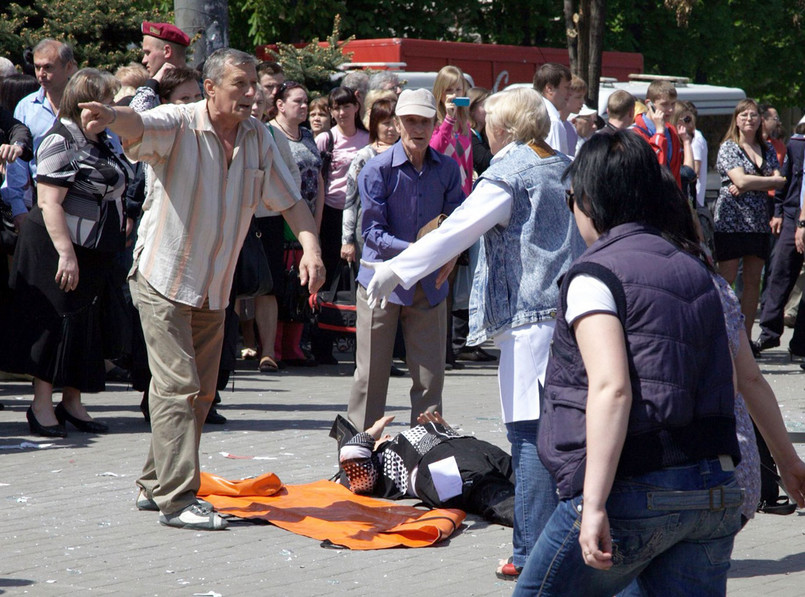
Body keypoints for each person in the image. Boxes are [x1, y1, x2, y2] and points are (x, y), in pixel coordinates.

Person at [78, 48, 324, 530]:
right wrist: (110, 116)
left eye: (255, 83)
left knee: (202, 394)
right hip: (163, 278)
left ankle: (154, 482)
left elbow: (291, 201)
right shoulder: (182, 121)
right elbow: (140, 125)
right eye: (241, 84)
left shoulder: (260, 137)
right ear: (211, 88)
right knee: (177, 388)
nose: (252, 93)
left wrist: (312, 251)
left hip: (215, 288)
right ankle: (176, 499)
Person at [362, 87, 585, 580]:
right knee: (562, 435)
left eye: (487, 120)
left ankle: (531, 555)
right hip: (573, 316)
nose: (483, 127)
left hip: (530, 323)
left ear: (502, 128)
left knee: (528, 437)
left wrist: (395, 269)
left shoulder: (508, 172)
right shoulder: (565, 162)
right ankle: (561, 545)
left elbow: (454, 230)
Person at [513, 131, 745, 596]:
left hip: (635, 486)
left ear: (589, 199)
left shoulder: (594, 275)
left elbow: (611, 388)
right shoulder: (696, 268)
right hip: (714, 488)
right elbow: (735, 380)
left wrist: (594, 504)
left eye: (570, 197)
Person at [2, 69, 130, 438]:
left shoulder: (103, 140)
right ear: (82, 102)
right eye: (102, 100)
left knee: (85, 327)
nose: (108, 108)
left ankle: (72, 402)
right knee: (55, 324)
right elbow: (49, 202)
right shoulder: (61, 139)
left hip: (96, 248)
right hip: (58, 247)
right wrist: (66, 254)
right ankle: (40, 405)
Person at [347, 87, 463, 431]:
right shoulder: (376, 170)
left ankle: (425, 457)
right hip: (381, 284)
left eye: (425, 121)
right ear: (397, 123)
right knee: (370, 379)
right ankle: (358, 455)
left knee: (430, 383)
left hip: (430, 284)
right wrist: (422, 253)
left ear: (435, 123)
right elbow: (372, 234)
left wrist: (452, 253)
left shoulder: (448, 170)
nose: (418, 128)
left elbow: (457, 223)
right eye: (410, 120)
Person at [338, 411, 515, 526]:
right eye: (373, 443)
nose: (387, 436)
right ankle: (538, 537)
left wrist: (445, 430)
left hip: (475, 448)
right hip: (440, 464)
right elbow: (351, 455)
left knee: (532, 481)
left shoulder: (395, 444)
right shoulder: (378, 465)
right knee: (502, 499)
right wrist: (373, 431)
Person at [714, 99, 785, 339]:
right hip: (731, 220)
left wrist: (748, 183)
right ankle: (721, 334)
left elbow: (779, 180)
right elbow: (743, 180)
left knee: (754, 281)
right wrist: (758, 182)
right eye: (743, 115)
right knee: (727, 279)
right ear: (736, 119)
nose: (749, 119)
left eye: (753, 115)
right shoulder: (729, 147)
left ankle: (744, 338)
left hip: (757, 222)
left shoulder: (766, 148)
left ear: (760, 120)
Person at [313, 86, 368, 364]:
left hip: (360, 217)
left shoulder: (367, 138)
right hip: (332, 214)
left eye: (346, 106)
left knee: (360, 280)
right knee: (329, 280)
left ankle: (364, 348)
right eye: (336, 107)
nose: (341, 112)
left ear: (356, 107)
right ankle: (322, 347)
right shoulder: (326, 139)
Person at [270, 80, 324, 365]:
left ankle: (294, 347)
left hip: (307, 220)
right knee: (281, 284)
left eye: (306, 102)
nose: (304, 107)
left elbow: (318, 178)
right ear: (280, 105)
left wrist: (315, 221)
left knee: (303, 284)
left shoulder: (307, 135)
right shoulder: (270, 134)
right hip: (280, 219)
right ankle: (275, 348)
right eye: (297, 102)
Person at [1, 39, 77, 231]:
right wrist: (18, 207)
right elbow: (17, 163)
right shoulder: (26, 107)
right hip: (40, 198)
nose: (41, 74)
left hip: (79, 197)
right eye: (37, 67)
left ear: (68, 68)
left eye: (48, 67)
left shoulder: (82, 104)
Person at [341, 97, 398, 263]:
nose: (392, 129)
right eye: (386, 123)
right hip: (368, 232)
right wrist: (347, 241)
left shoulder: (407, 155)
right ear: (375, 125)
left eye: (395, 123)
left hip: (398, 234)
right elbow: (350, 201)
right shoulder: (364, 156)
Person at [631, 79, 688, 187]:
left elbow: (675, 174)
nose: (670, 109)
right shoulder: (635, 133)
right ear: (649, 104)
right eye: (664, 104)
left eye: (673, 104)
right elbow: (653, 167)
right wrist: (659, 133)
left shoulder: (671, 131)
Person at [130, 21, 191, 113]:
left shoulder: (198, 87)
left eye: (148, 53)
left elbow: (135, 116)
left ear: (167, 51)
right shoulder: (153, 91)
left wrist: (152, 84)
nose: (144, 60)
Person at [532, 62, 571, 154]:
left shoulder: (532, 112)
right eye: (567, 88)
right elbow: (556, 164)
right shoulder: (552, 121)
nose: (570, 93)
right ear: (549, 88)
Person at [468, 87, 492, 175]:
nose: (489, 110)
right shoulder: (468, 134)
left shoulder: (483, 136)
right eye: (484, 105)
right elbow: (484, 161)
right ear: (471, 110)